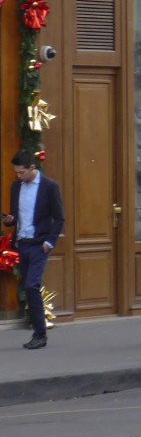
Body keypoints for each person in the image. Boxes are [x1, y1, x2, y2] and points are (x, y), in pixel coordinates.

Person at [2, 150, 66, 350]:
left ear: (32, 167)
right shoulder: (16, 187)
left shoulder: (49, 187)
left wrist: (50, 242)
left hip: (39, 245)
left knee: (31, 286)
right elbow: (15, 215)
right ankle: (38, 332)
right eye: (16, 173)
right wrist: (9, 220)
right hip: (22, 243)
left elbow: (59, 218)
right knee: (29, 287)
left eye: (21, 172)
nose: (18, 176)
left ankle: (40, 333)